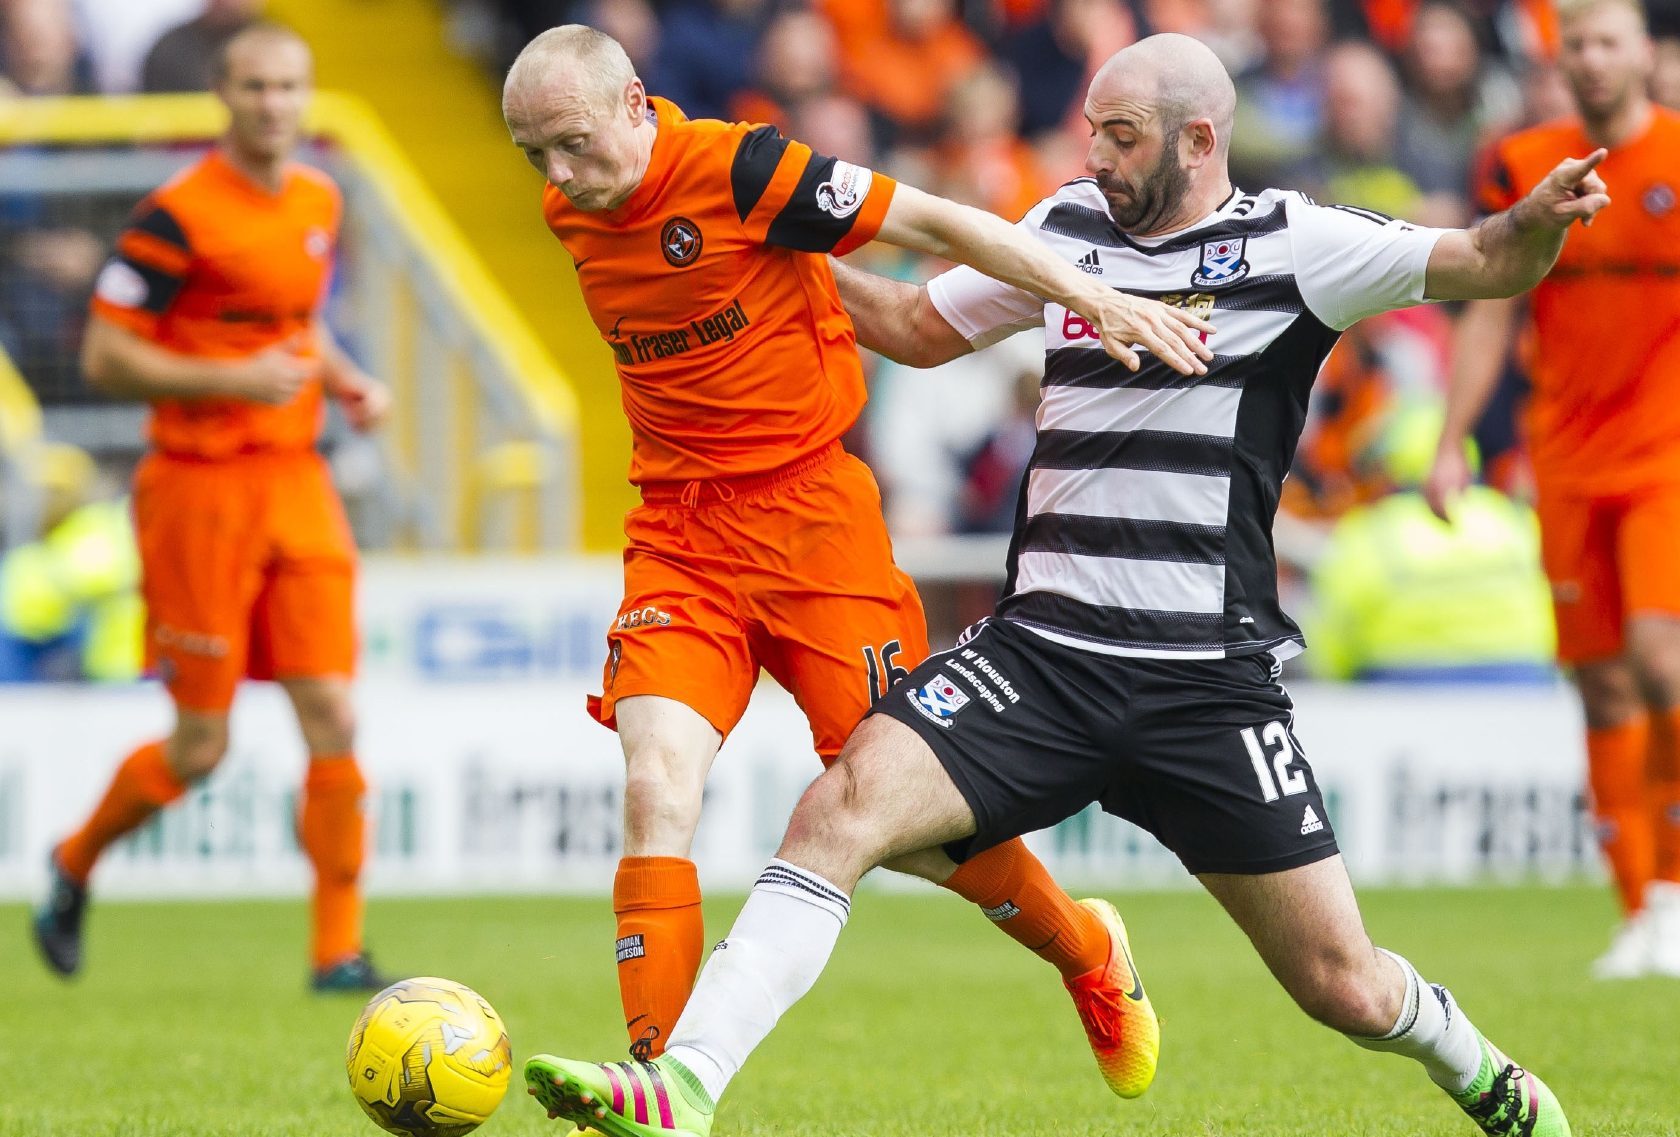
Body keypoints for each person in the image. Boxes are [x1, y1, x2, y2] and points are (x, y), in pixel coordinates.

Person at [523, 31, 1598, 1137]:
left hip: (1202, 683)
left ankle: (1478, 1068)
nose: (1095, 157)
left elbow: (1480, 261)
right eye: (1090, 129)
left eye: (1121, 137)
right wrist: (765, 246)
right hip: (1040, 655)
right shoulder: (1064, 229)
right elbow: (911, 328)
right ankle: (687, 1081)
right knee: (839, 810)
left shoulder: (1299, 244)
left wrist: (1535, 224)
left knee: (1346, 987)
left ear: (1199, 139)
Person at [500, 23, 1214, 1089]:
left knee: (908, 821)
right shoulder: (576, 206)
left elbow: (931, 222)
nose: (557, 176)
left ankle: (1087, 950)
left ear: (637, 104)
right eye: (533, 155)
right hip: (679, 535)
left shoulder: (744, 169)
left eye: (570, 143)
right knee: (656, 785)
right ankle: (655, 1084)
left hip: (814, 524)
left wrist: (1093, 296)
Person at [29, 23, 395, 992]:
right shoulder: (175, 216)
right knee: (203, 743)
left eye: (288, 86)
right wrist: (229, 376)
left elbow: (296, 319)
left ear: (306, 94)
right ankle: (72, 862)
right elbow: (106, 355)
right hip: (196, 492)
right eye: (254, 86)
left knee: (333, 709)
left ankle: (337, 951)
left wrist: (348, 381)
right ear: (222, 96)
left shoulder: (319, 195)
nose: (273, 104)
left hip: (296, 483)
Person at [1426, 0, 1680, 980]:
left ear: (1641, 55)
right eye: (1576, 43)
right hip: (1566, 459)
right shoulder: (1523, 160)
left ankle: (1672, 886)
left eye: (1608, 40)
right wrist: (1451, 439)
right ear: (1560, 57)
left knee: (1663, 658)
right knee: (1602, 678)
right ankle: (1639, 912)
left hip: (1665, 457)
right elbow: (1491, 303)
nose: (1591, 58)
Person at [1306, 401, 1555, 684]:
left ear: (1390, 464)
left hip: (1398, 683)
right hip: (1524, 678)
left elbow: (1332, 632)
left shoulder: (1369, 532)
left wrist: (1342, 687)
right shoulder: (1513, 521)